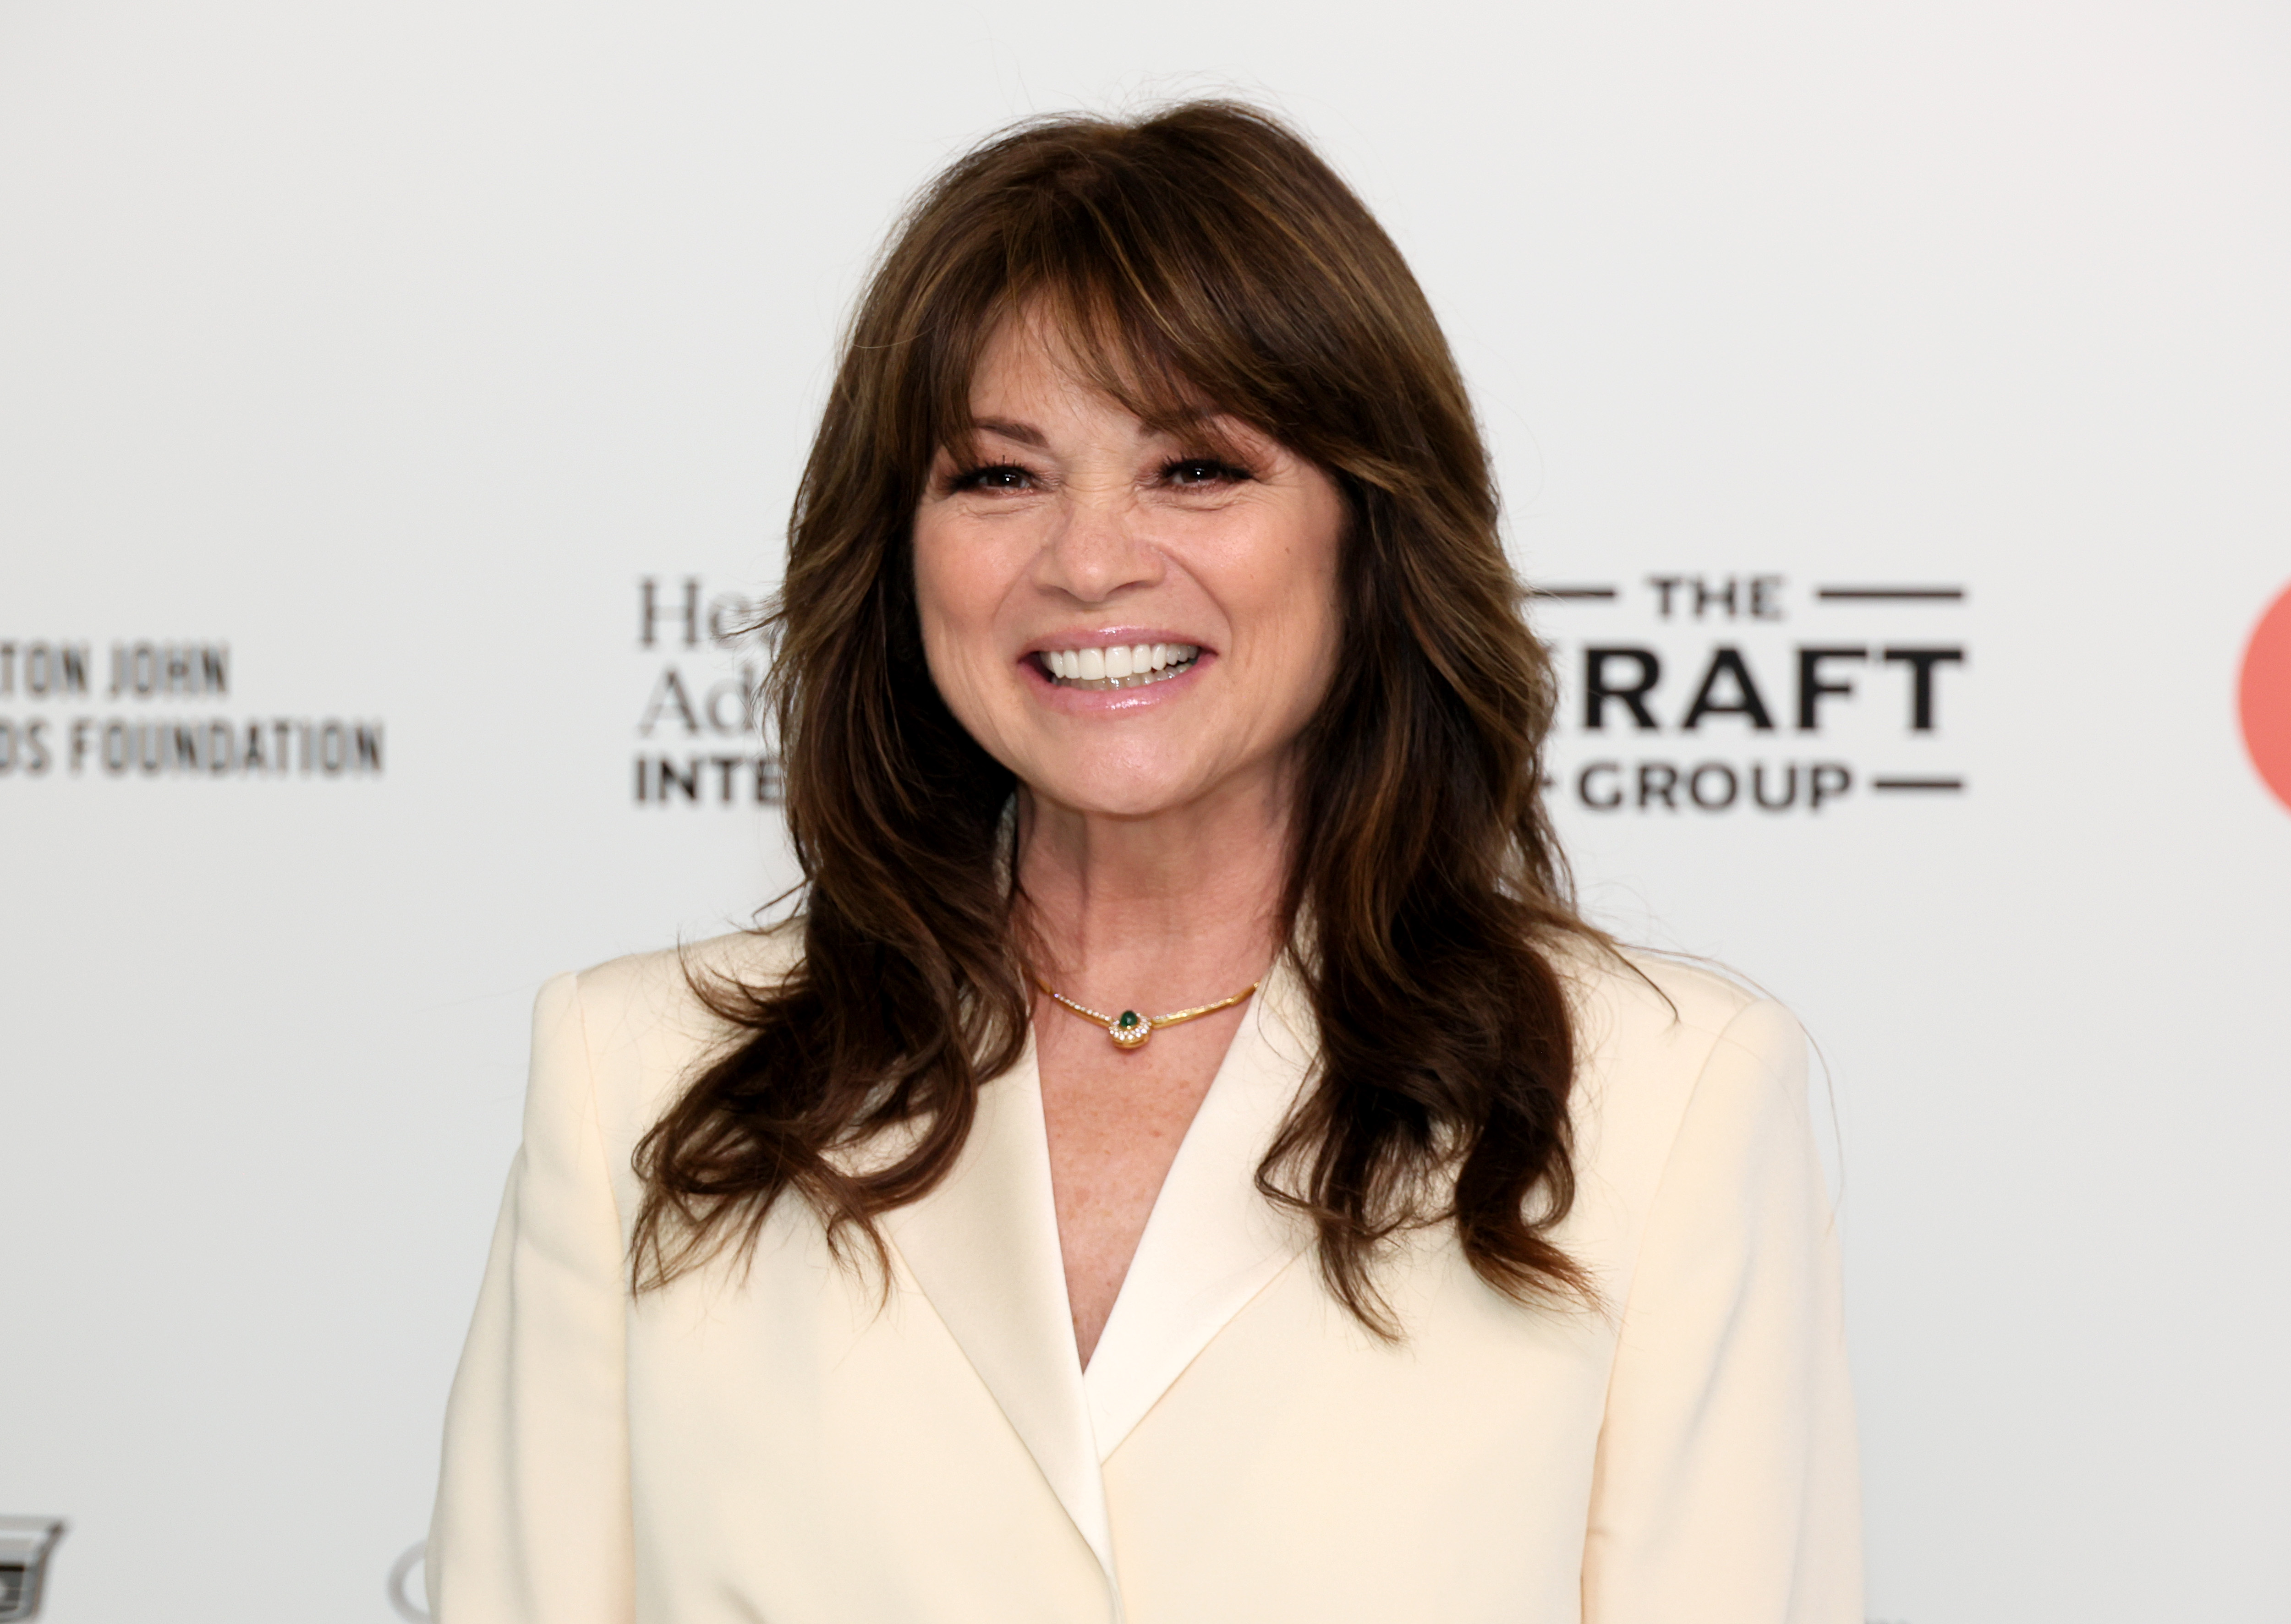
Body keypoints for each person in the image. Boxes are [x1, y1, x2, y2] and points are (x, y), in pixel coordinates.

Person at [426, 101, 1860, 1623]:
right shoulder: (636, 1082)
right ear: (900, 551)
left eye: (1195, 468)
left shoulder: (1667, 1101)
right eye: (999, 477)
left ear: (1369, 532)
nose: (1092, 559)